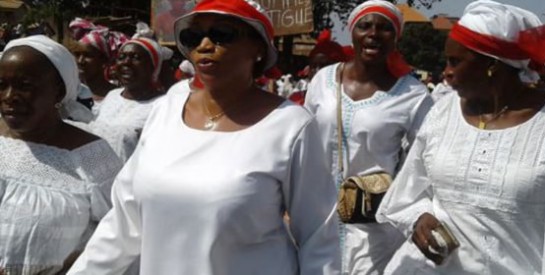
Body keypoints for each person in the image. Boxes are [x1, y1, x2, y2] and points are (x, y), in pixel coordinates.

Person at [68, 0, 341, 274]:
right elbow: (123, 224)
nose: (205, 46)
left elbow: (319, 237)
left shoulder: (290, 125)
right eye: (193, 37)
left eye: (222, 34)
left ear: (258, 47)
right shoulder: (165, 110)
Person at [376, 1, 545, 274]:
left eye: (455, 61)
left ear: (492, 64)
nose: (446, 72)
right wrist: (418, 218)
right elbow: (409, 191)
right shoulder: (442, 111)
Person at [304, 1, 433, 274]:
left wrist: (405, 202)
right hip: (316, 215)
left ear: (396, 37)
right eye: (365, 26)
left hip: (374, 225)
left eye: (385, 28)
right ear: (352, 32)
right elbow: (303, 141)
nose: (374, 33)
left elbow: (424, 160)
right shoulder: (323, 80)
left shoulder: (413, 94)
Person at [0, 35, 122, 274]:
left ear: (58, 91)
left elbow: (119, 237)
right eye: (1, 84)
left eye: (24, 85)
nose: (8, 96)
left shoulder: (93, 157)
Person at [85, 23, 170, 162]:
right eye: (121, 57)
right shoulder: (112, 96)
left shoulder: (162, 105)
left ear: (153, 67)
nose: (126, 62)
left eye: (136, 57)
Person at [72, 27, 129, 113]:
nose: (80, 61)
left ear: (104, 60)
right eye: (77, 55)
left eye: (88, 55)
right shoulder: (70, 93)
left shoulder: (120, 97)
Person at [289, 29, 348, 105]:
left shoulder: (348, 101)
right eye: (313, 66)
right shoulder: (295, 100)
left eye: (324, 66)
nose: (317, 71)